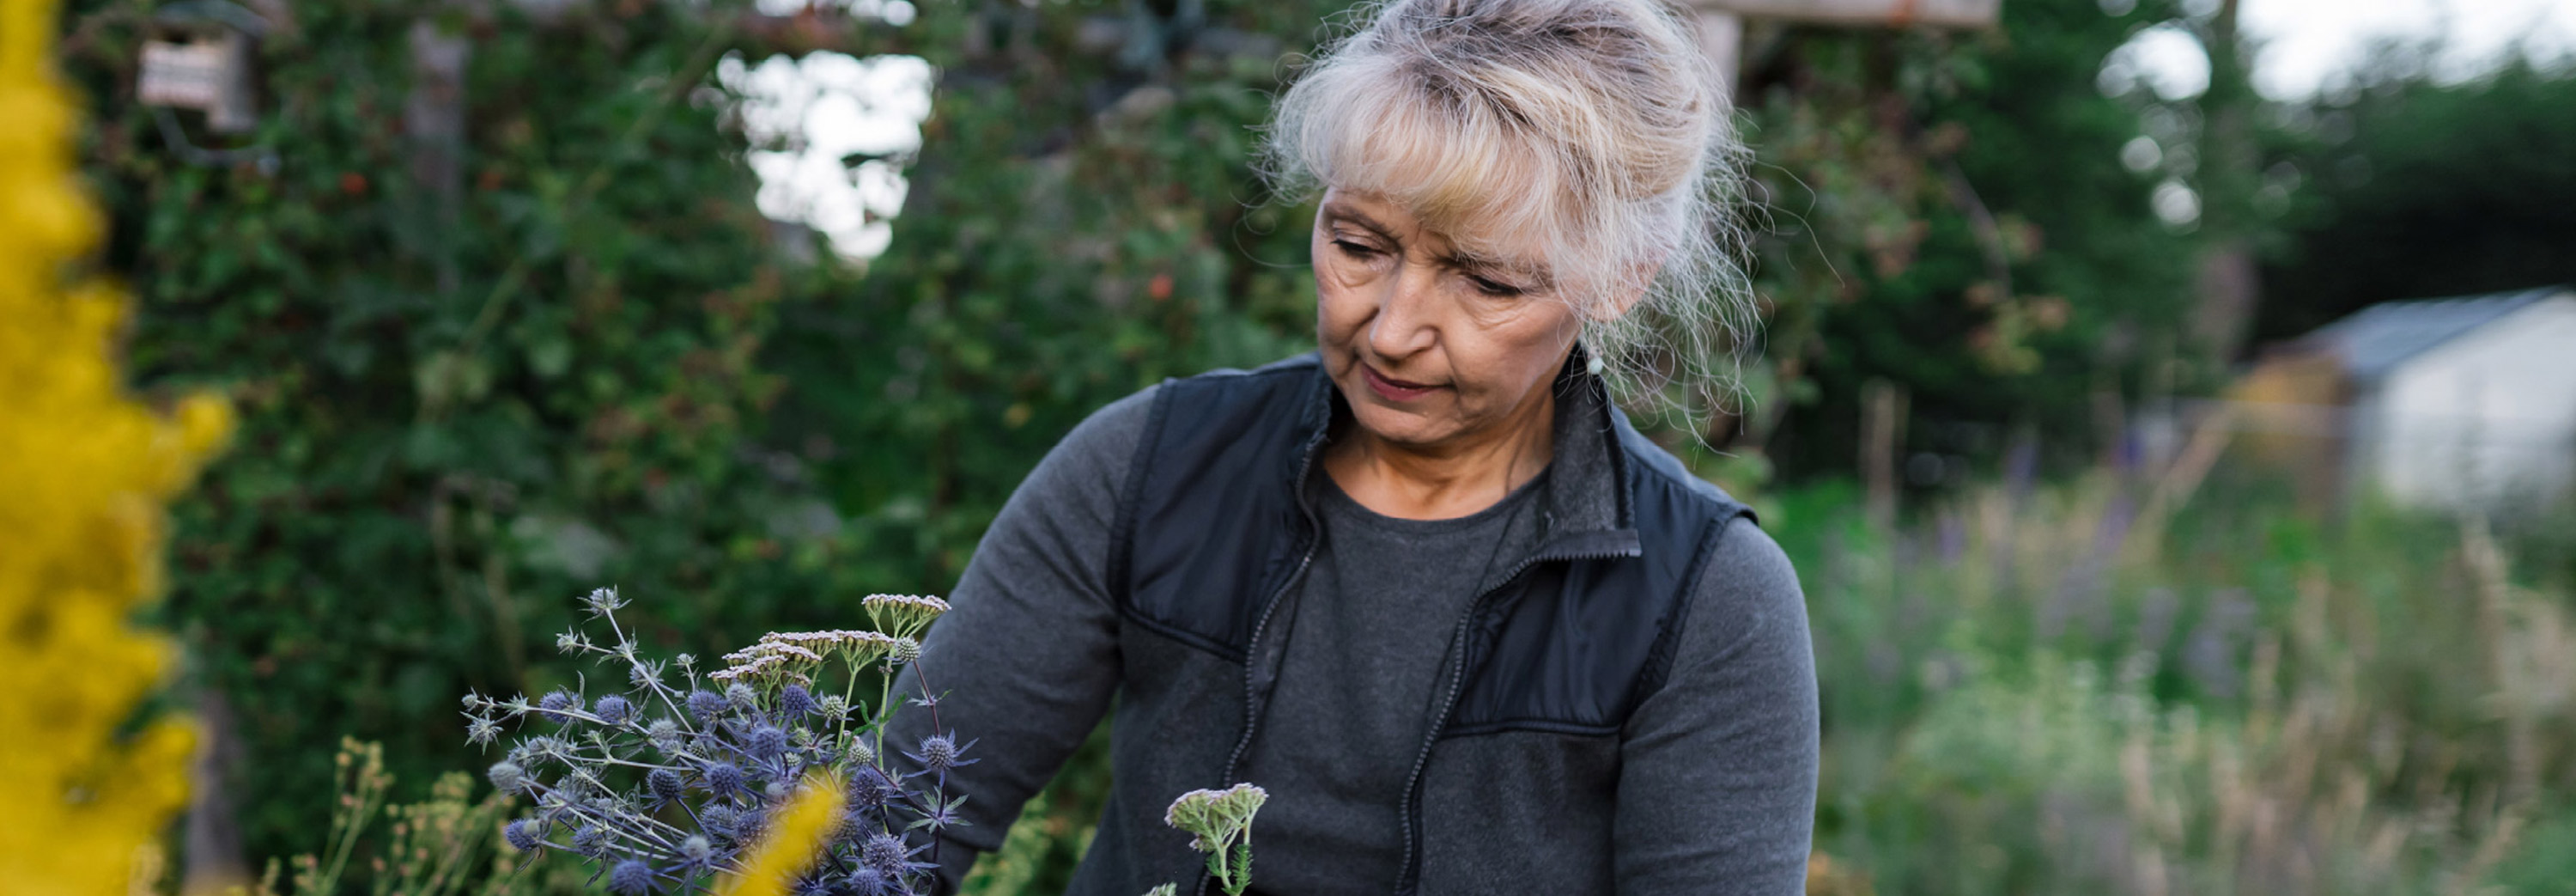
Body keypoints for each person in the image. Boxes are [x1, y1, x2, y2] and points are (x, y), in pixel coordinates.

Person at [887, 1, 1818, 893]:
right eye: (1359, 244)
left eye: (1487, 282)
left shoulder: (1705, 600)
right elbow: (889, 835)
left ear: (1620, 278)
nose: (1392, 330)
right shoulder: (1146, 470)